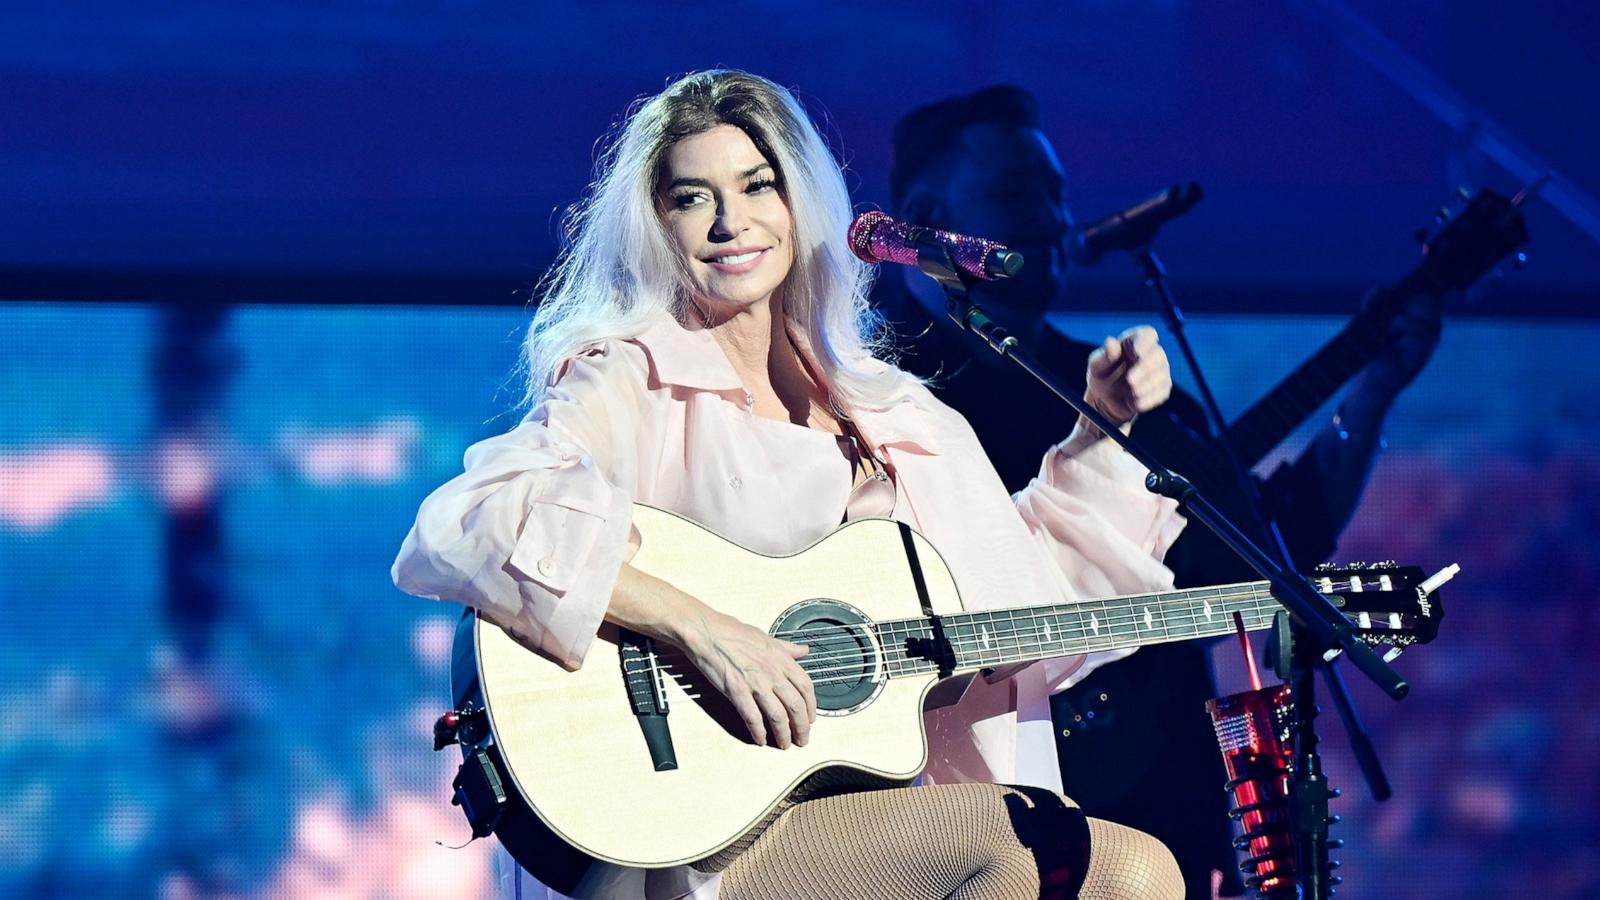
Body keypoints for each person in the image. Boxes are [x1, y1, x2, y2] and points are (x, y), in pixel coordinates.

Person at [393, 70, 1190, 900]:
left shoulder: (895, 415)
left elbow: (1027, 607)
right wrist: (701, 629)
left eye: (756, 186)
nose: (730, 222)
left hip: (881, 820)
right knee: (1032, 842)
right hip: (706, 832)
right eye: (691, 198)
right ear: (656, 225)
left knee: (1140, 876)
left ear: (800, 203)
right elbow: (474, 523)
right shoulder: (634, 376)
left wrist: (1101, 426)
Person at [880, 85, 1443, 899]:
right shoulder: (875, 390)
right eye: (1017, 193)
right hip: (969, 803)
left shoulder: (1130, 389)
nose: (1052, 219)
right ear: (930, 213)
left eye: (1059, 194)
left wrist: (1374, 389)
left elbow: (1266, 545)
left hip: (1158, 794)